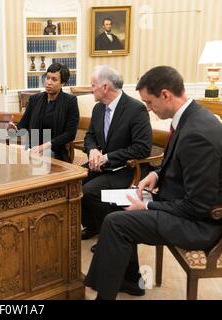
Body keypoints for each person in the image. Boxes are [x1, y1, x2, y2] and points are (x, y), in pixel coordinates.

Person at [85, 66, 222, 300]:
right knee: (117, 206)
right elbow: (179, 164)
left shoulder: (197, 133)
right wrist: (156, 175)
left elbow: (197, 207)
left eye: (149, 102)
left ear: (166, 95)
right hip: (180, 204)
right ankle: (125, 281)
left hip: (200, 225)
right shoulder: (191, 118)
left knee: (116, 223)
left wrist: (148, 206)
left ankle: (103, 295)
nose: (148, 108)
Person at [81, 65, 152, 244]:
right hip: (101, 166)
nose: (91, 89)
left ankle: (109, 236)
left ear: (105, 87)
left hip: (125, 169)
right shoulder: (98, 108)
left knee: (90, 191)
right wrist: (93, 150)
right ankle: (93, 225)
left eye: (93, 85)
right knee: (72, 183)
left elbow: (142, 148)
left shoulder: (135, 109)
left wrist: (107, 157)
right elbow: (89, 136)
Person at [8, 63, 79, 162]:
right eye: (47, 77)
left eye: (54, 79)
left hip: (55, 151)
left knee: (37, 160)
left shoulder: (70, 101)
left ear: (63, 83)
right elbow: (24, 124)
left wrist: (44, 147)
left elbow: (70, 134)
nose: (48, 82)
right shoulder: (35, 99)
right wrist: (14, 128)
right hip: (32, 147)